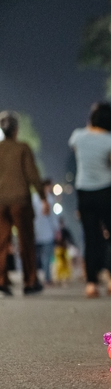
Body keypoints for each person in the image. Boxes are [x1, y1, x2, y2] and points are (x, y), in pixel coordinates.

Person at [69, 102, 111, 298]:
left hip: (84, 192)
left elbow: (77, 149)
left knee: (91, 237)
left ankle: (91, 284)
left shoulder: (78, 136)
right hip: (106, 191)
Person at [0, 111, 48, 296]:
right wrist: (43, 198)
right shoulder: (23, 148)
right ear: (16, 130)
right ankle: (30, 281)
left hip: (0, 201)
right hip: (20, 200)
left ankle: (2, 279)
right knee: (26, 240)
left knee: (1, 242)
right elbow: (32, 174)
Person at [32, 179, 59, 286]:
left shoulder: (33, 198)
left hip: (35, 231)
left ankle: (33, 277)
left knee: (35, 256)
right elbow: (53, 218)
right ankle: (47, 278)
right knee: (46, 256)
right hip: (47, 232)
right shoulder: (49, 199)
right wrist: (56, 230)